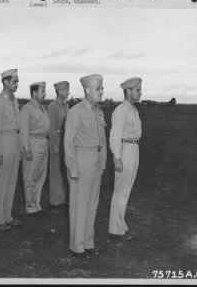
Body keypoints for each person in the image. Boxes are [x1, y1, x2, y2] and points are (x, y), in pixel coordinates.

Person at [64, 74, 107, 258]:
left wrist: (103, 161)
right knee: (79, 205)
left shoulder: (98, 111)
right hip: (81, 159)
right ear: (87, 90)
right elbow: (68, 142)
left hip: (96, 160)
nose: (101, 91)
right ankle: (77, 245)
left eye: (101, 88)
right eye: (98, 88)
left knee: (92, 204)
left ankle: (88, 241)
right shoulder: (76, 111)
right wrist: (72, 168)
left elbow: (102, 139)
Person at [108, 77, 142, 241]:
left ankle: (120, 224)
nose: (140, 92)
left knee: (126, 189)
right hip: (125, 149)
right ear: (128, 91)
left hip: (134, 148)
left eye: (140, 89)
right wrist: (117, 157)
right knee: (120, 190)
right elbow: (115, 136)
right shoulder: (120, 111)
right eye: (137, 90)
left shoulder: (133, 109)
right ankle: (115, 229)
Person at [0, 69, 23, 231]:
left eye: (17, 81)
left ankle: (7, 215)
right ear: (5, 82)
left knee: (11, 181)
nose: (17, 84)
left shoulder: (13, 100)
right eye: (14, 81)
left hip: (15, 141)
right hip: (4, 141)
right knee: (2, 181)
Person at [20, 82, 50, 216]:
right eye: (42, 91)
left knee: (40, 176)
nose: (45, 94)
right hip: (33, 142)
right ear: (34, 93)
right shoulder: (27, 109)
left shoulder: (42, 108)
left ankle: (36, 204)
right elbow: (24, 130)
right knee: (30, 176)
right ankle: (30, 206)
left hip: (44, 142)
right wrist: (26, 148)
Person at [47, 81, 70, 208]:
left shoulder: (66, 106)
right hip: (57, 139)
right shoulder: (52, 106)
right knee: (55, 170)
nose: (68, 92)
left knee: (64, 169)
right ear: (59, 91)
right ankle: (55, 199)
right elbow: (51, 128)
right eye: (66, 90)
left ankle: (63, 197)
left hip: (66, 139)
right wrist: (54, 145)